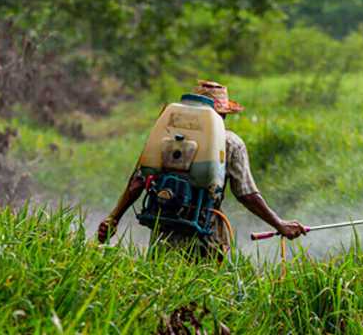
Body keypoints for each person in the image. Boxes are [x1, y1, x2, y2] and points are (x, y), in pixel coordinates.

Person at [97, 80, 306, 259]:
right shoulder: (231, 143)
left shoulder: (164, 137)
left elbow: (138, 181)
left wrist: (114, 218)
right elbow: (247, 195)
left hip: (163, 235)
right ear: (222, 115)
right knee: (203, 301)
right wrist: (280, 224)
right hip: (207, 240)